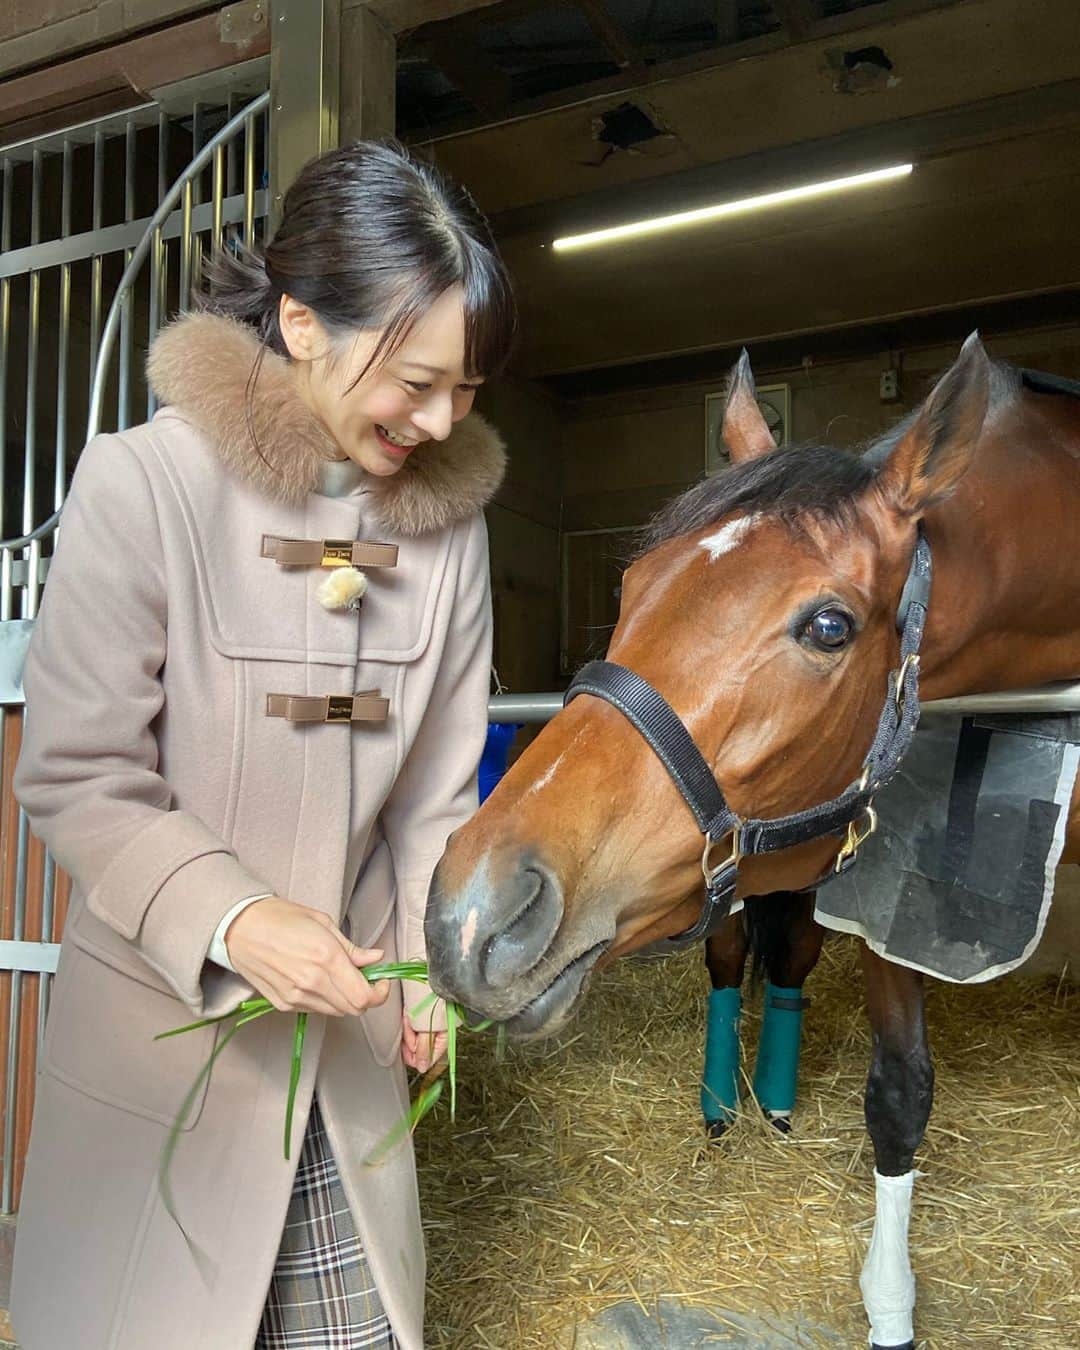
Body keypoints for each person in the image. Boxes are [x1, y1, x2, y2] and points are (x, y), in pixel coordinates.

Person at [10, 139, 516, 1350]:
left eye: (468, 390)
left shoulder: (447, 539)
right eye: (417, 380)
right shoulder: (144, 488)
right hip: (162, 1067)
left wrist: (435, 962)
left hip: (341, 1064)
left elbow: (438, 798)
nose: (441, 419)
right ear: (300, 323)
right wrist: (237, 920)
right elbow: (80, 773)